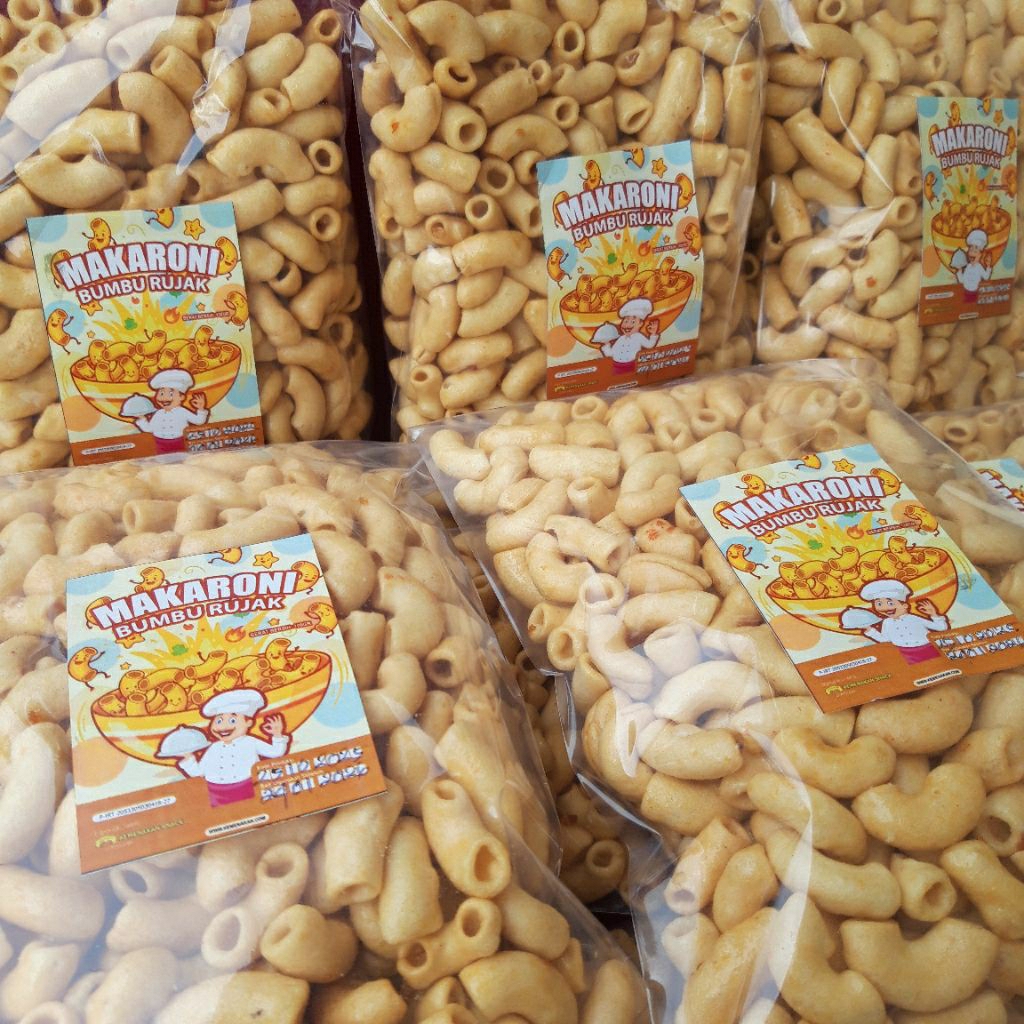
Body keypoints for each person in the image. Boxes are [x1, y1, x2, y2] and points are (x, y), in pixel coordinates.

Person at [171, 689, 291, 806]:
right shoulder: (214, 747)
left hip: (248, 786)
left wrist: (277, 734)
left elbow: (276, 753)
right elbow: (199, 772)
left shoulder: (250, 742)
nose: (223, 727)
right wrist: (188, 757)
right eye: (219, 721)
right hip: (216, 791)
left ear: (248, 722)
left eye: (232, 720)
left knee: (255, 808)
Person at [839, 579, 950, 664]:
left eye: (890, 603)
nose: (885, 608)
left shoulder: (913, 618)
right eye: (879, 604)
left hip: (927, 648)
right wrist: (869, 630)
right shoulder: (887, 622)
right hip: (904, 653)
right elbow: (885, 640)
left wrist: (933, 614)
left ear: (905, 605)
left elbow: (941, 628)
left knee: (939, 665)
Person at [132, 368, 208, 454]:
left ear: (181, 397)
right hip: (160, 442)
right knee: (162, 459)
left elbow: (199, 421)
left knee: (183, 457)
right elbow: (149, 428)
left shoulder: (182, 412)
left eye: (171, 394)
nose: (164, 398)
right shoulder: (158, 413)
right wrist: (142, 418)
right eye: (161, 393)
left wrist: (201, 409)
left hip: (180, 441)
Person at [597, 297, 660, 374]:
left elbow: (649, 345)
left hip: (632, 365)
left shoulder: (638, 337)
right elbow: (611, 353)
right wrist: (606, 344)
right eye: (626, 321)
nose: (627, 325)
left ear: (640, 324)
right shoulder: (621, 338)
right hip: (616, 366)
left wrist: (653, 334)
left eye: (633, 322)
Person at [951, 228, 992, 303]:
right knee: (966, 304)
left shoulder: (979, 267)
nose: (972, 252)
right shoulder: (968, 267)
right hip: (965, 292)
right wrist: (959, 271)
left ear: (980, 255)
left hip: (975, 292)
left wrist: (988, 266)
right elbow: (962, 280)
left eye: (976, 250)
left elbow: (986, 277)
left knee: (973, 304)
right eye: (970, 249)